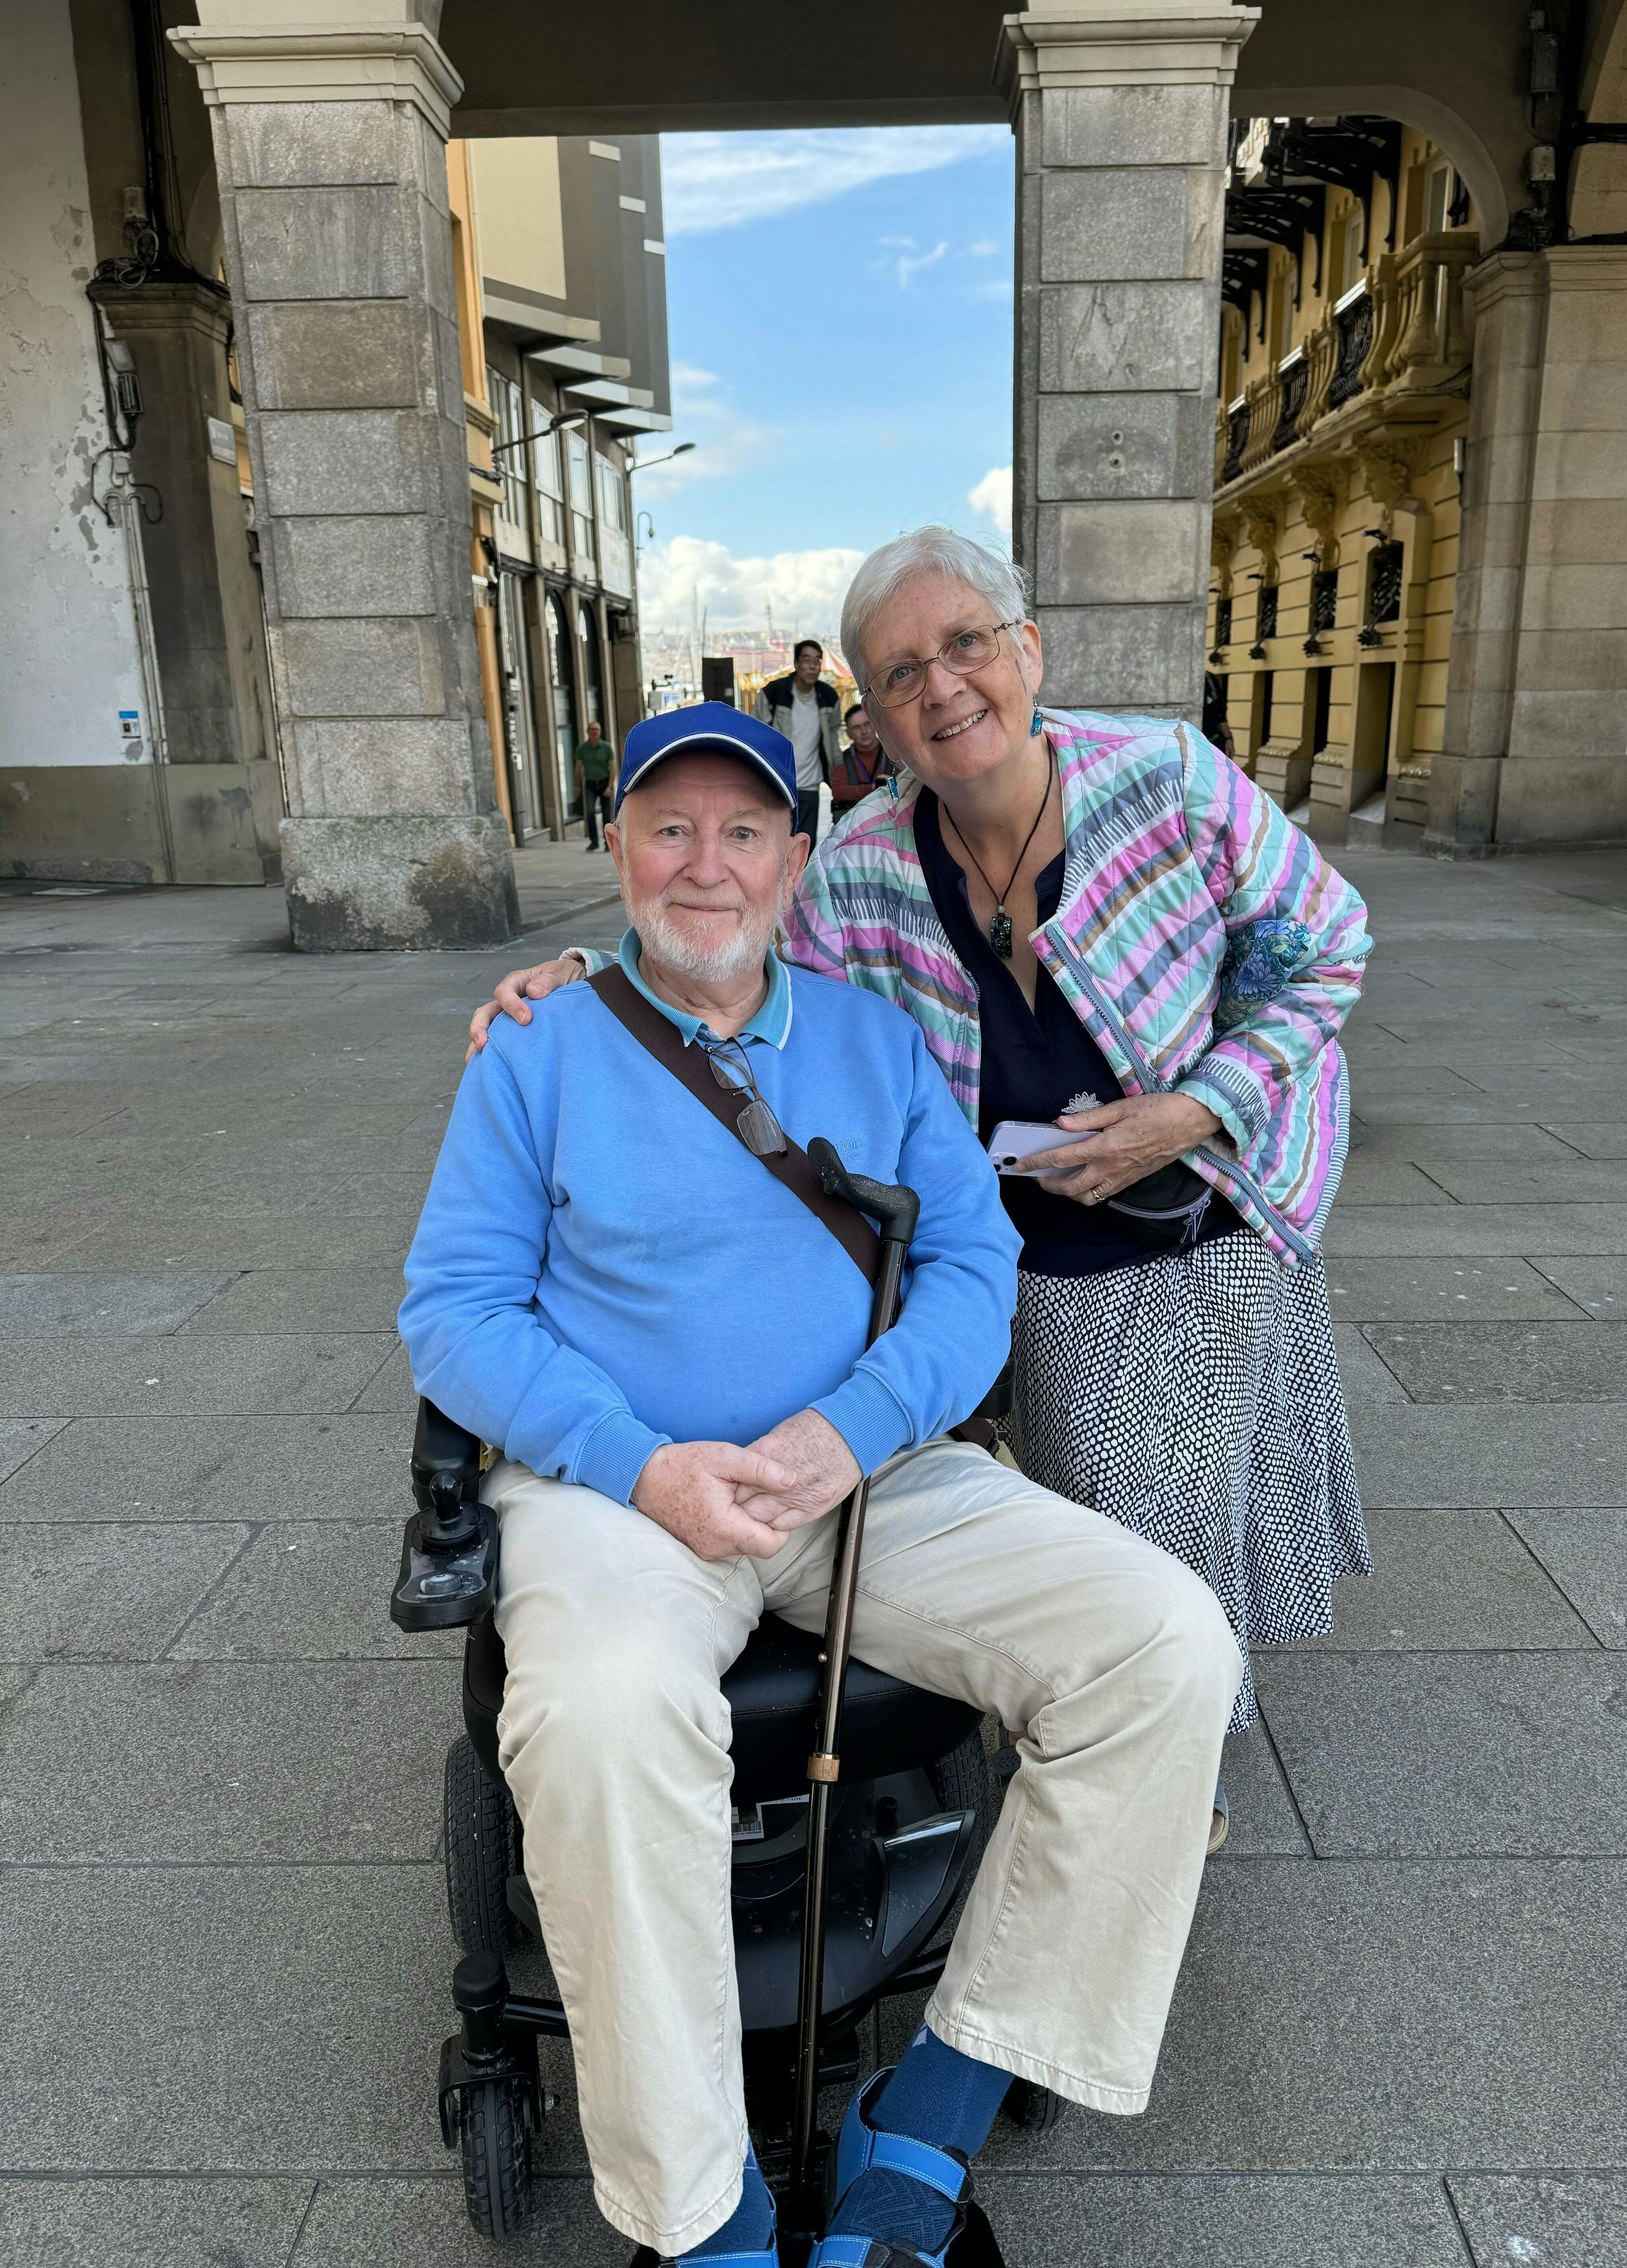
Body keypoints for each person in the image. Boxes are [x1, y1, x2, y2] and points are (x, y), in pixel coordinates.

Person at [406, 701, 1241, 2268]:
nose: (702, 864)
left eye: (740, 832)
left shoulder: (876, 1040)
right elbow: (451, 1309)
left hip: (865, 1480)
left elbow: (973, 1272)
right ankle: (704, 2213)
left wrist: (853, 1429)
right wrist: (643, 1465)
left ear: (799, 859)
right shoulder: (541, 1048)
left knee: (1169, 1644)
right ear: (618, 850)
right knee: (595, 1715)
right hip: (619, 1495)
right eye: (668, 828)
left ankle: (932, 2105)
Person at [469, 530, 1373, 1848]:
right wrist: (583, 980)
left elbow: (1326, 951)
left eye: (965, 646)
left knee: (1156, 1507)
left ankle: (1172, 1780)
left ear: (1027, 652)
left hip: (1198, 1210)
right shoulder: (869, 865)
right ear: (874, 716)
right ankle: (1094, 1719)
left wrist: (1197, 1108)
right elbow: (724, 936)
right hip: (1003, 1233)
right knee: (1052, 1490)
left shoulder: (1166, 785)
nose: (941, 686)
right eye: (900, 674)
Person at [753, 636, 841, 851]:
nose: (812, 666)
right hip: (779, 782)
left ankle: (801, 886)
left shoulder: (829, 697)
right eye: (807, 660)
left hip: (811, 785)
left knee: (805, 845)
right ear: (796, 663)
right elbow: (756, 734)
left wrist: (839, 774)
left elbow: (833, 740)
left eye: (817, 661)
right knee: (774, 843)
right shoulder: (774, 693)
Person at [830, 699, 898, 820]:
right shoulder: (844, 759)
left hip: (893, 817)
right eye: (856, 728)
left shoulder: (894, 752)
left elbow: (907, 784)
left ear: (874, 724)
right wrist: (872, 788)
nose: (864, 732)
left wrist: (891, 783)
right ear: (849, 734)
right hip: (857, 822)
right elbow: (838, 791)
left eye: (867, 724)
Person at [573, 717, 614, 851]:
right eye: (592, 730)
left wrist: (610, 787)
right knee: (590, 813)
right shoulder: (583, 749)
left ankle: (608, 844)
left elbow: (613, 768)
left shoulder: (607, 747)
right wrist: (577, 786)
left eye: (596, 730)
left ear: (600, 732)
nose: (594, 732)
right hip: (590, 784)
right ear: (588, 732)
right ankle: (594, 842)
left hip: (604, 783)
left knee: (606, 815)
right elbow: (578, 768)